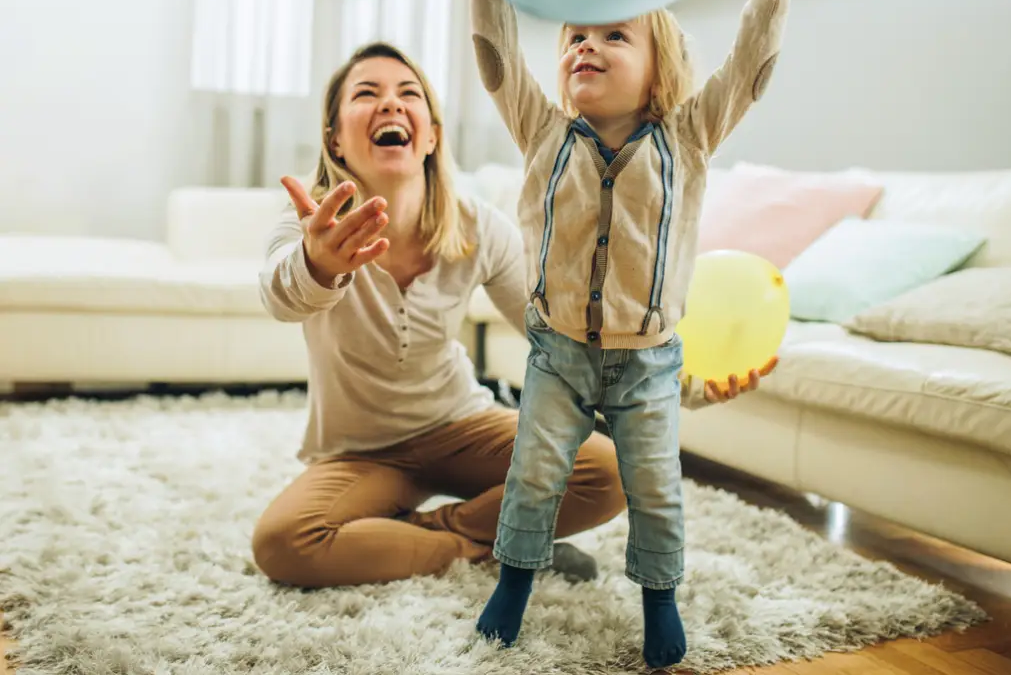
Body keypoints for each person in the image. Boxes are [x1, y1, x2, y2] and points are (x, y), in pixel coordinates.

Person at [251, 41, 768, 593]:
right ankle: (488, 550)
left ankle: (428, 533)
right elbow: (282, 298)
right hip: (357, 451)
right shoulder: (311, 224)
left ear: (430, 134)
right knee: (283, 543)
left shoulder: (479, 225)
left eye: (408, 94)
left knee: (609, 474)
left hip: (460, 426)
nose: (391, 105)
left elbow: (558, 330)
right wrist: (319, 264)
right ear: (335, 138)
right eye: (366, 94)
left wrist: (678, 381)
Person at [470, 0, 802, 670]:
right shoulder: (542, 131)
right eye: (576, 37)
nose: (587, 44)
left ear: (661, 69)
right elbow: (495, 61)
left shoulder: (687, 138)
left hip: (650, 360)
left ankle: (659, 599)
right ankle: (514, 583)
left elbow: (747, 73)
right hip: (557, 353)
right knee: (534, 474)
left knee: (657, 490)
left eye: (614, 35)